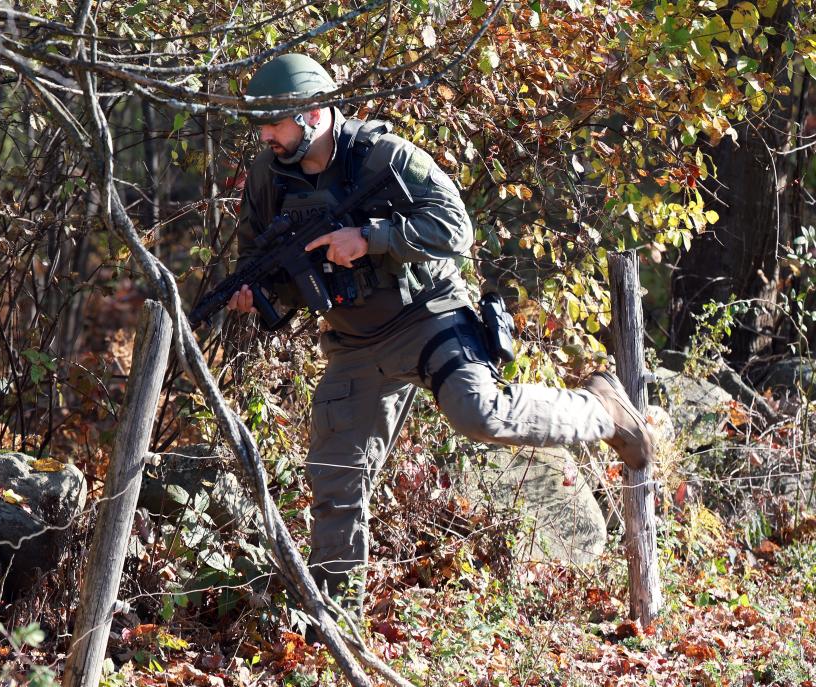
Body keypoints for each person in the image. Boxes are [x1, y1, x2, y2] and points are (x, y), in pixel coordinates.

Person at [226, 53, 653, 609]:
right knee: (333, 480)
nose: (267, 136)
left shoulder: (385, 157)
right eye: (262, 124)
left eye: (275, 123)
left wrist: (371, 237)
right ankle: (335, 618)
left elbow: (455, 227)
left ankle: (601, 410)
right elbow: (260, 259)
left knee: (481, 413)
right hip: (354, 344)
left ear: (312, 113)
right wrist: (252, 295)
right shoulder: (269, 176)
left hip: (429, 315)